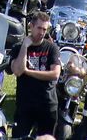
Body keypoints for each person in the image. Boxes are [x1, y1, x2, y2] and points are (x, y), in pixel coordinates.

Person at [9, 11, 61, 139]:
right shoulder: (18, 48)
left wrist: (28, 72)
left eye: (45, 29)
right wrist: (25, 47)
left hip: (47, 105)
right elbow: (17, 70)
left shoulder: (52, 48)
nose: (42, 32)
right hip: (25, 105)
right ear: (31, 26)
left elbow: (55, 74)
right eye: (39, 28)